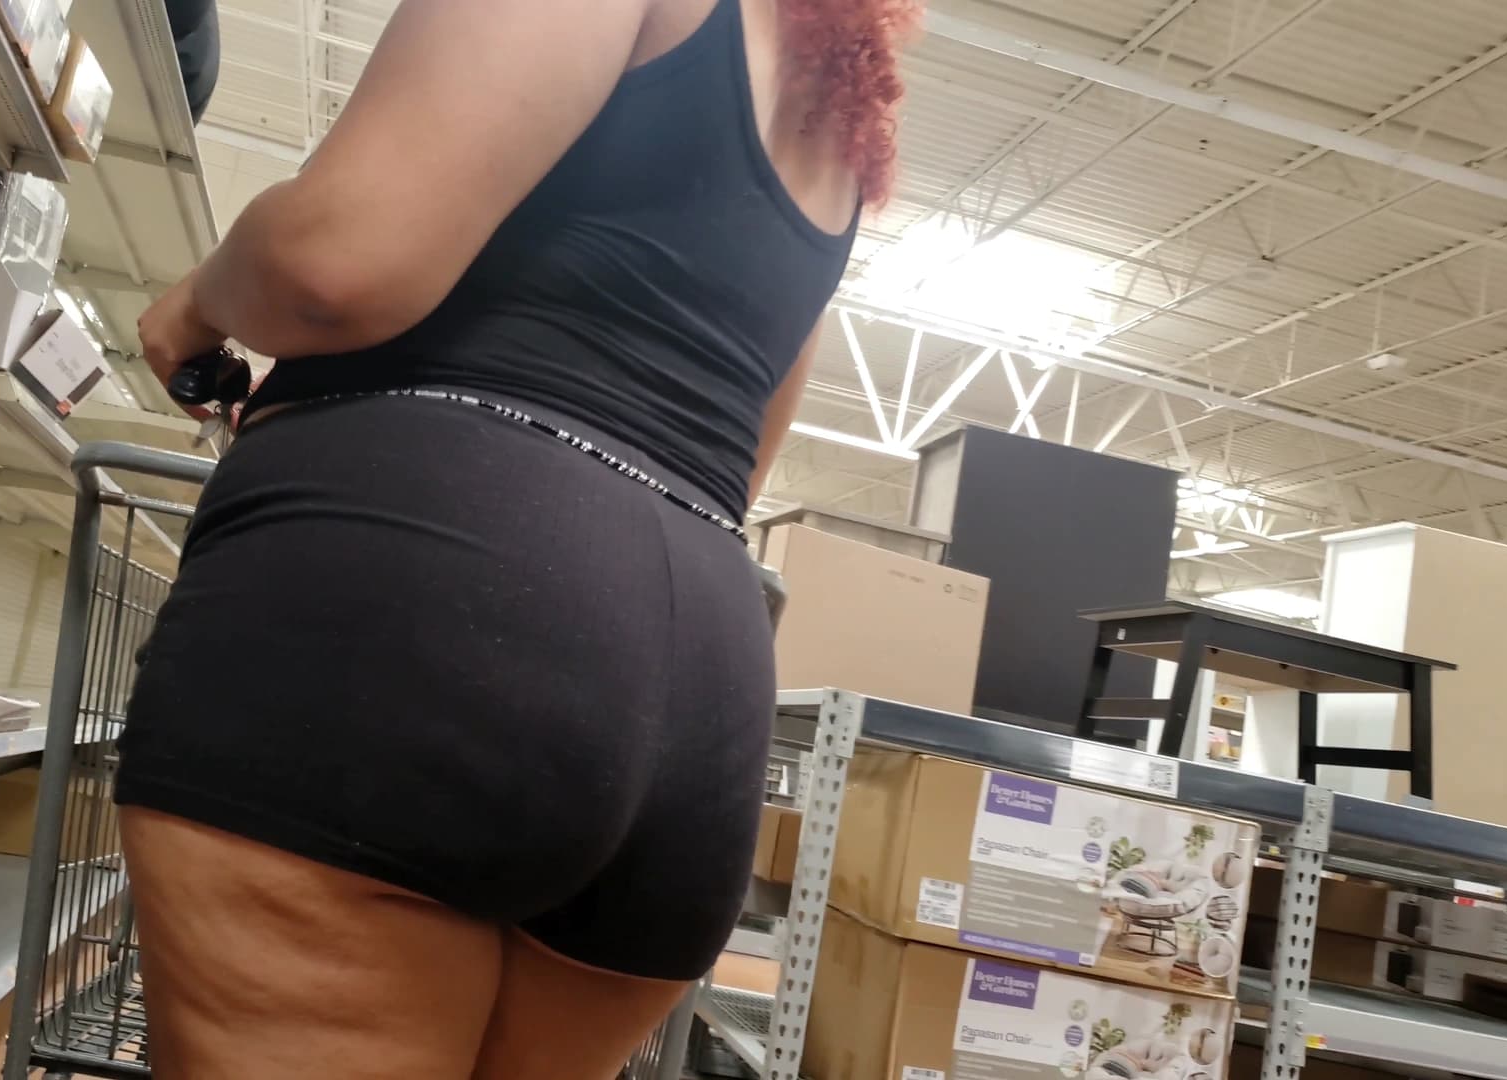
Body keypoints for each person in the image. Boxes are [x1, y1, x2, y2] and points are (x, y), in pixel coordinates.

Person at [119, 0, 919, 1076]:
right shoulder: (831, 97)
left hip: (414, 615)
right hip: (699, 689)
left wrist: (199, 300)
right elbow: (742, 462)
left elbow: (337, 261)